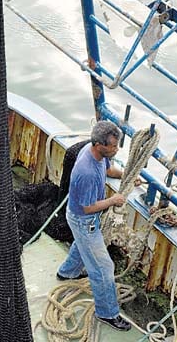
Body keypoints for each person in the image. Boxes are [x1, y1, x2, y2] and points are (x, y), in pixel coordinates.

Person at [56, 120, 132, 331]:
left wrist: (127, 175)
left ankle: (67, 272)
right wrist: (112, 201)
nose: (116, 150)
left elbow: (109, 170)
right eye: (113, 147)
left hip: (81, 219)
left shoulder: (97, 155)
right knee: (104, 268)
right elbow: (88, 208)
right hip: (83, 219)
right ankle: (107, 313)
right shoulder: (86, 171)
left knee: (82, 245)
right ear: (99, 145)